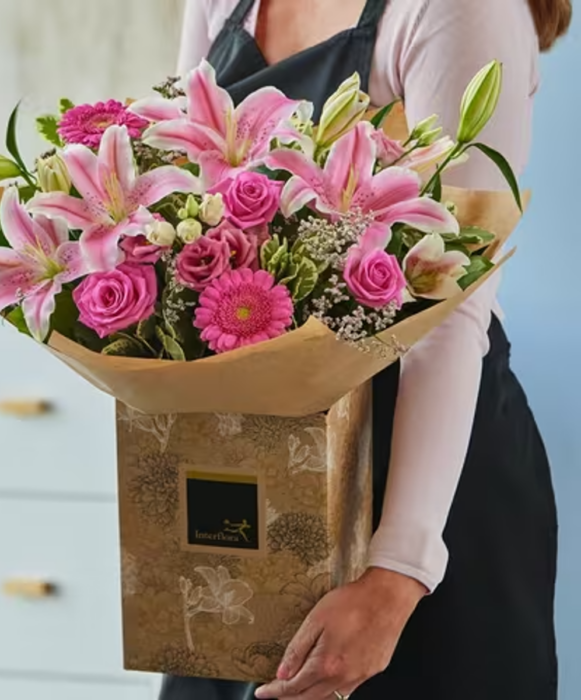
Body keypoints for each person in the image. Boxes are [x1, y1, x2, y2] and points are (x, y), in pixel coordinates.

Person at [161, 1, 571, 698]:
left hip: (422, 467)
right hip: (256, 448)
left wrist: (397, 574)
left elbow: (449, 307)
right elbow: (177, 201)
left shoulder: (457, 9)